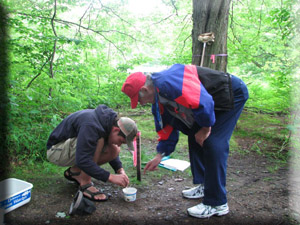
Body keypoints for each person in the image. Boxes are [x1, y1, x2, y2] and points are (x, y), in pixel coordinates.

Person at [122, 64, 248, 218]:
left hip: (231, 94)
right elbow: (166, 129)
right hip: (210, 103)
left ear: (145, 90)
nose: (141, 103)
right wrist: (159, 155)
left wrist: (206, 128)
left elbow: (204, 101)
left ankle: (217, 203)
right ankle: (205, 186)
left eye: (139, 99)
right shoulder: (158, 100)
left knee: (213, 142)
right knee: (195, 135)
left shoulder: (169, 82)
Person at [46, 104, 137, 202]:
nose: (120, 144)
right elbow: (83, 160)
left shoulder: (108, 122)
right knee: (99, 139)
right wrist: (110, 177)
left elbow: (111, 151)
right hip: (55, 150)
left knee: (114, 149)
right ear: (116, 130)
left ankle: (75, 172)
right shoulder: (92, 125)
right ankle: (85, 185)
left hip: (71, 149)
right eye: (121, 141)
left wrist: (120, 170)